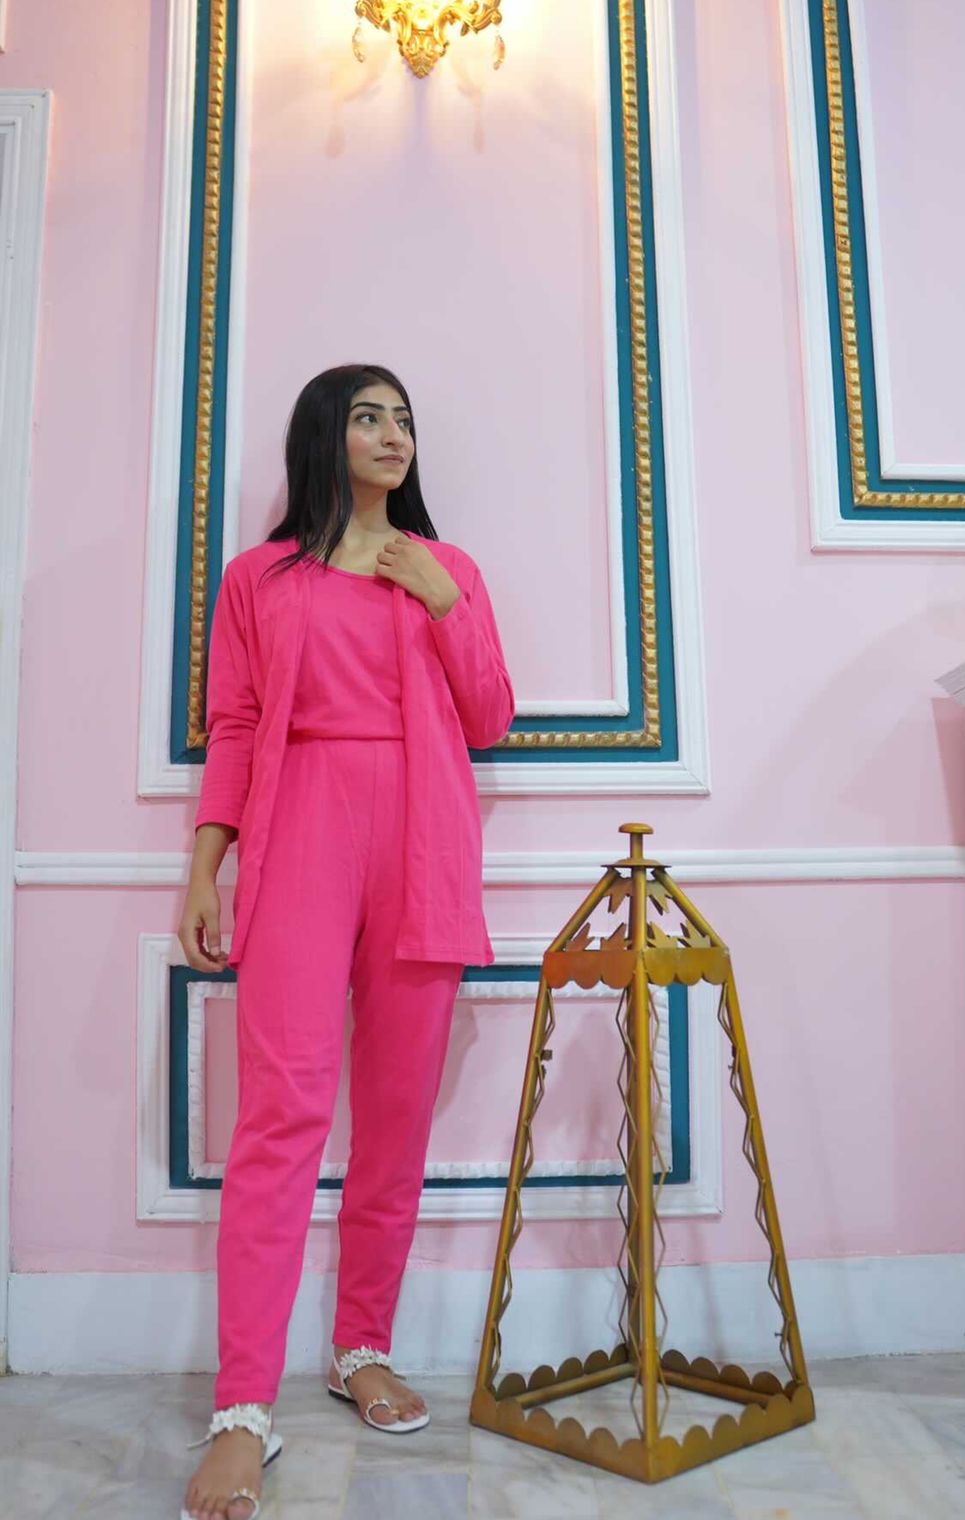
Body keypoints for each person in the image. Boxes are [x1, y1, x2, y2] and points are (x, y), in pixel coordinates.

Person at [178, 364, 515, 1520]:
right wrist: (206, 866)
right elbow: (234, 724)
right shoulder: (259, 578)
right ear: (324, 435)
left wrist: (444, 599)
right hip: (300, 838)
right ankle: (242, 1406)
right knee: (280, 1112)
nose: (391, 434)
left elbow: (490, 715)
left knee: (397, 1110)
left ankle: (360, 1344)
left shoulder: (445, 567)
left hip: (422, 841)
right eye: (368, 416)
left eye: (403, 418)